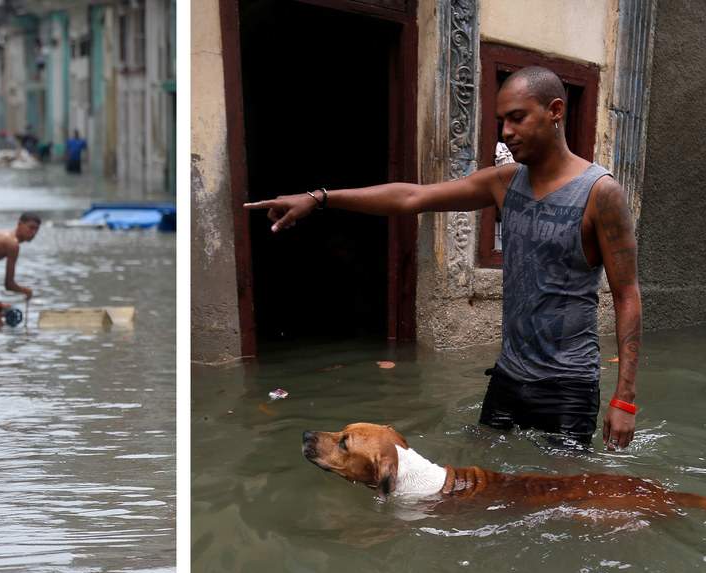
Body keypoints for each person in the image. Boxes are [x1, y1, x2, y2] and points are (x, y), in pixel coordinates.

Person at [245, 66, 642, 451]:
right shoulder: (503, 182)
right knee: (478, 483)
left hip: (569, 386)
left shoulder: (600, 193)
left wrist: (624, 397)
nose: (506, 132)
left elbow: (627, 294)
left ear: (555, 110)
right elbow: (411, 197)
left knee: (559, 500)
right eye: (502, 120)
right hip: (508, 376)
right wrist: (319, 198)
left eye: (517, 118)